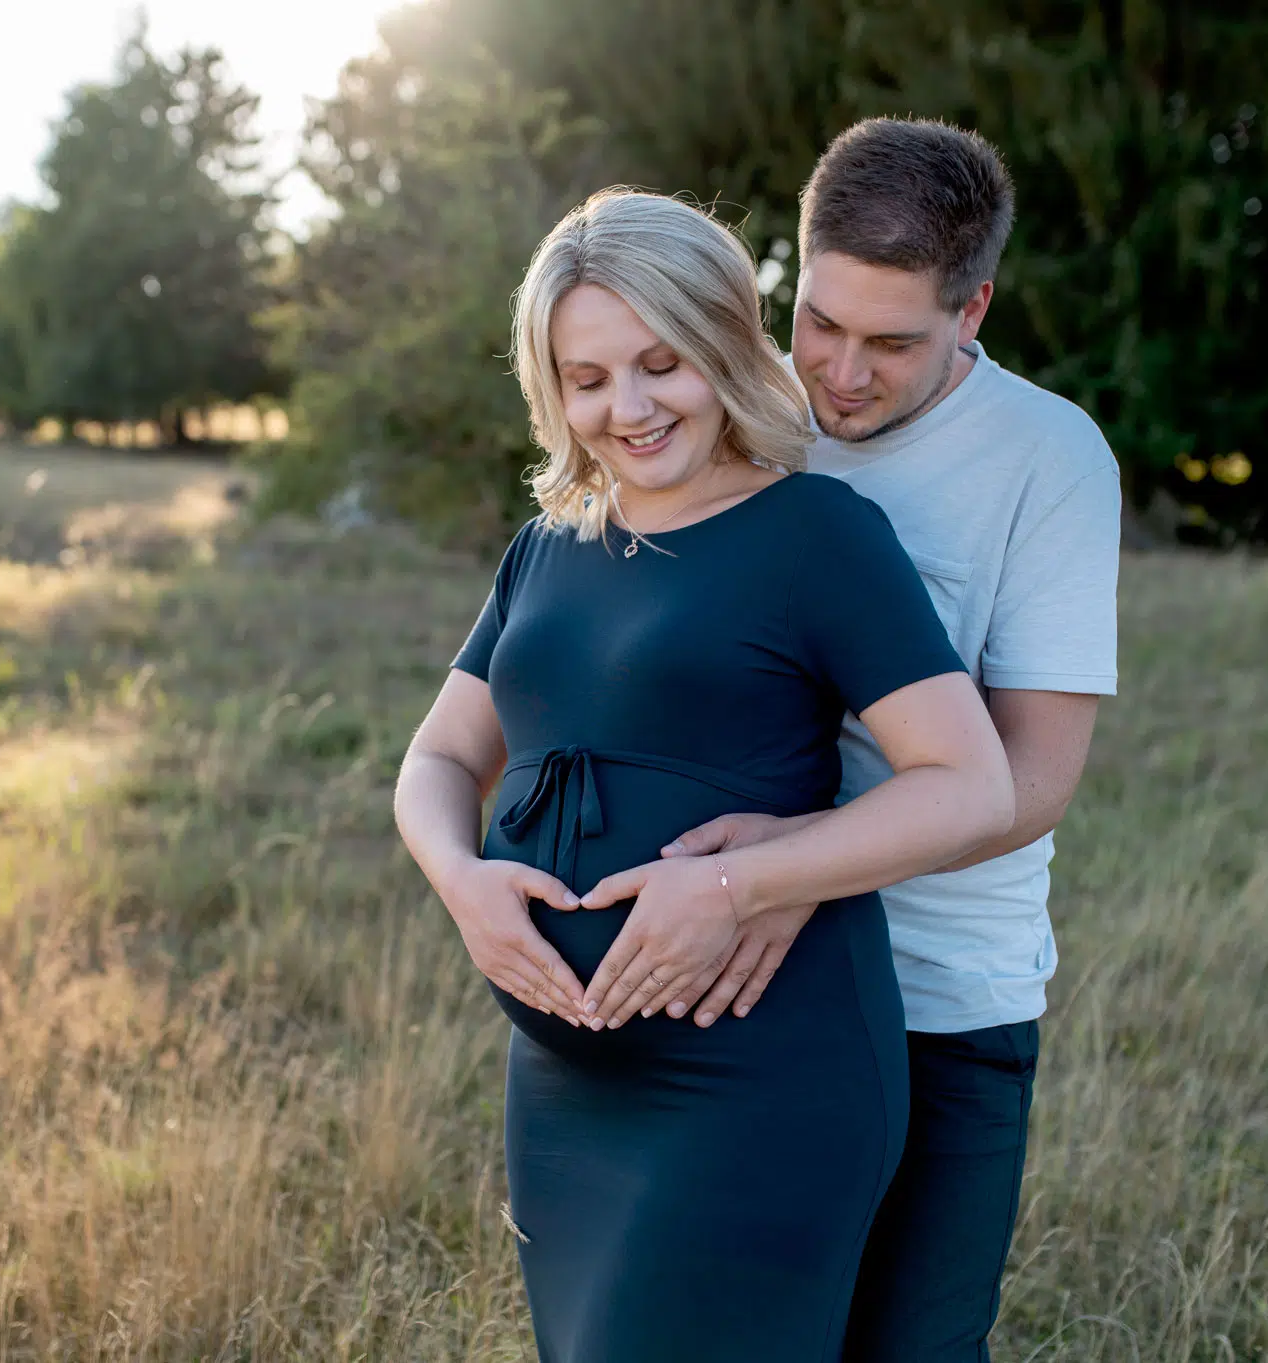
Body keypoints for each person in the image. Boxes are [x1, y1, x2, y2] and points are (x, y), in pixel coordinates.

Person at [393, 187, 1016, 1363]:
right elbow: (436, 756)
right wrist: (460, 881)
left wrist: (746, 883)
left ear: (724, 343)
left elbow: (968, 782)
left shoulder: (816, 533)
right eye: (585, 379)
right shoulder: (546, 545)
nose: (625, 407)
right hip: (563, 1089)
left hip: (758, 1082)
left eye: (659, 362)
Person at [659, 118, 1123, 1361]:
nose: (838, 374)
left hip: (941, 996)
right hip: (731, 973)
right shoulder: (738, 410)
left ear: (972, 308)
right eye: (817, 320)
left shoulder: (1048, 457)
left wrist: (782, 863)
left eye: (891, 342)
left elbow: (1029, 781)